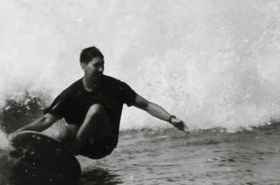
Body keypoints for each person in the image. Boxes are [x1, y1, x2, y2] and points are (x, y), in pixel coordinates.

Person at [11, 46, 186, 158]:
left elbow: (146, 105)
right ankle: (47, 160)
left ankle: (71, 153)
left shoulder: (116, 87)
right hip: (84, 144)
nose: (101, 69)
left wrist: (171, 119)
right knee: (62, 133)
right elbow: (45, 121)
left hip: (104, 143)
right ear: (83, 66)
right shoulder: (71, 93)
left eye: (103, 64)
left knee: (95, 109)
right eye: (96, 65)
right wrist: (16, 135)